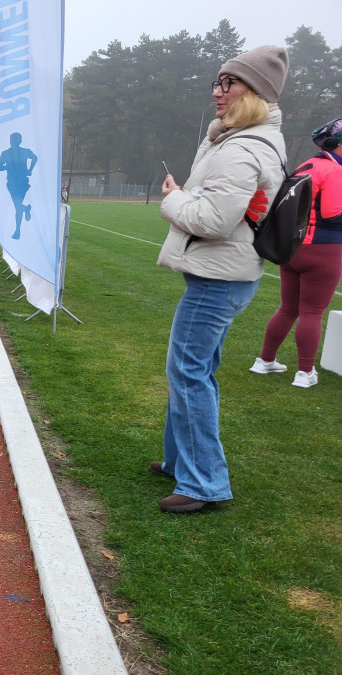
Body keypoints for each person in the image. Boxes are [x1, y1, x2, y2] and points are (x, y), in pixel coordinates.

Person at [151, 46, 289, 513]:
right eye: (218, 81)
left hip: (219, 279)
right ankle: (178, 461)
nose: (217, 91)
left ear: (254, 92)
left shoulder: (243, 147)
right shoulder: (240, 140)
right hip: (226, 275)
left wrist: (172, 199)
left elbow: (211, 220)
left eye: (228, 83)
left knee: (189, 374)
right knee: (195, 370)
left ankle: (204, 482)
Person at [250, 118, 342, 388]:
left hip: (293, 246)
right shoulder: (335, 171)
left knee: (288, 308)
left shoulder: (306, 164)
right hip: (323, 250)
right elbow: (332, 212)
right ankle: (305, 373)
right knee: (312, 311)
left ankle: (265, 361)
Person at [0, 132, 38, 240]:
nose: (12, 142)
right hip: (13, 183)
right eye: (11, 139)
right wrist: (7, 167)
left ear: (19, 141)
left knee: (17, 206)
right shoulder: (5, 153)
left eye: (14, 140)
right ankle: (22, 218)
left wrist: (30, 169)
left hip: (21, 182)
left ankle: (18, 229)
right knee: (18, 205)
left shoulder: (23, 151)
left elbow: (35, 158)